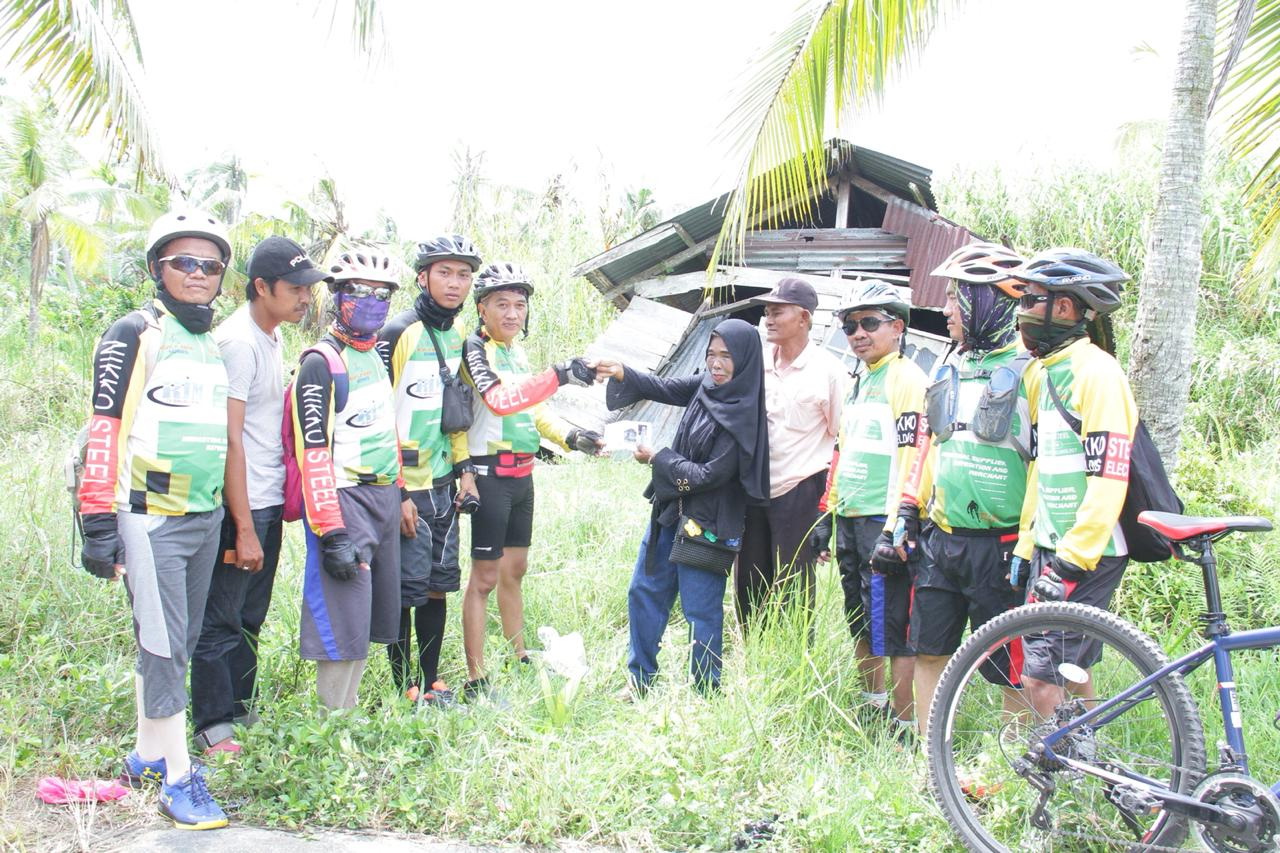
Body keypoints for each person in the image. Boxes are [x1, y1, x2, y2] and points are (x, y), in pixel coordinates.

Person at [77, 208, 233, 829]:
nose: (198, 274)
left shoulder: (207, 341)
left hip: (204, 514)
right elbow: (105, 427)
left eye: (211, 265)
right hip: (149, 517)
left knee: (178, 641)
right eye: (184, 262)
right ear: (156, 269)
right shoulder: (132, 332)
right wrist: (97, 522)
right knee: (164, 646)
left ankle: (146, 752)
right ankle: (177, 778)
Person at [190, 237, 324, 754]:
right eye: (294, 289)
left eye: (308, 290)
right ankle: (213, 723)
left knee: (251, 614)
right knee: (220, 616)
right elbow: (230, 438)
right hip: (237, 505)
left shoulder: (270, 336)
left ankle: (242, 710)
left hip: (265, 500)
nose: (304, 298)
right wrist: (243, 525)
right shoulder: (238, 342)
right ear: (261, 287)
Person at [898, 243, 1032, 742]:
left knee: (1010, 665)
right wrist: (908, 511)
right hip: (942, 537)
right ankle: (933, 758)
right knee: (929, 650)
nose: (948, 310)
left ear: (990, 302)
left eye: (958, 298)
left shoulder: (1028, 371)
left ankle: (1014, 767)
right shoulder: (947, 366)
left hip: (1002, 544)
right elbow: (929, 444)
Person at [597, 319, 769, 694]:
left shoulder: (745, 416)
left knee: (700, 610)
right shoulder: (705, 386)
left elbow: (710, 475)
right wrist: (623, 371)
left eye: (726, 357)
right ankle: (639, 679)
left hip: (708, 525)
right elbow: (663, 387)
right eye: (711, 355)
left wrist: (659, 458)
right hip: (670, 509)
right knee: (644, 592)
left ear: (745, 360)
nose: (716, 364)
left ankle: (706, 692)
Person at [457, 262, 602, 701]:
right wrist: (558, 373)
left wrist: (573, 437)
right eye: (502, 304)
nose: (512, 313)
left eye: (520, 305)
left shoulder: (516, 353)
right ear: (482, 308)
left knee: (514, 571)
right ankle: (476, 676)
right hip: (489, 475)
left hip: (523, 475)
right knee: (483, 578)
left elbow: (533, 412)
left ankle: (519, 655)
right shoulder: (474, 349)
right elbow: (500, 402)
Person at [1008, 248, 1136, 719]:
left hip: (1088, 551)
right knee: (1069, 664)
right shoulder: (1043, 373)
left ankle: (1058, 778)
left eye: (1029, 299)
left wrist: (1070, 562)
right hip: (1050, 541)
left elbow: (1109, 474)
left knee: (1041, 676)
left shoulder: (1099, 374)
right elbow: (1041, 466)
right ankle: (1087, 754)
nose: (1021, 311)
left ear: (1063, 307)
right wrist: (1027, 545)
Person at [290, 248, 405, 711]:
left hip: (383, 497)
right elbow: (312, 451)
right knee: (341, 618)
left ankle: (349, 710)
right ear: (337, 297)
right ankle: (329, 720)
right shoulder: (321, 361)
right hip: (343, 499)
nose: (371, 301)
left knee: (364, 616)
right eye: (359, 291)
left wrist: (401, 493)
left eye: (381, 294)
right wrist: (331, 530)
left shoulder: (374, 353)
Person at [815, 280, 927, 738]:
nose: (857, 333)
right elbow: (843, 450)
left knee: (894, 624)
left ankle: (902, 724)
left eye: (868, 323)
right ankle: (872, 705)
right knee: (860, 617)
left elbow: (916, 453)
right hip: (851, 518)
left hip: (885, 523)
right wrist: (828, 511)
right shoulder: (861, 380)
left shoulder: (906, 379)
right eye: (849, 326)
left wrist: (898, 524)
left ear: (896, 327)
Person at [377, 235, 482, 706]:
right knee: (407, 589)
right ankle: (404, 685)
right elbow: (376, 417)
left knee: (439, 585)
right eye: (445, 272)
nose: (454, 283)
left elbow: (455, 412)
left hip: (445, 486)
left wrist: (464, 470)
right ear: (423, 277)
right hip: (407, 487)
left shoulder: (456, 337)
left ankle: (433, 677)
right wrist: (397, 490)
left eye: (463, 275)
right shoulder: (398, 332)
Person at [737, 277, 846, 625]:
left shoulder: (828, 371)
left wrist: (825, 511)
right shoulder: (756, 363)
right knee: (749, 582)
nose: (768, 319)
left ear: (804, 318)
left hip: (800, 489)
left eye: (777, 312)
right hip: (753, 486)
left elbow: (842, 437)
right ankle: (752, 654)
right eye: (766, 312)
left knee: (794, 585)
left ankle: (793, 657)